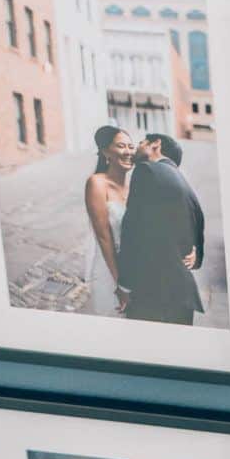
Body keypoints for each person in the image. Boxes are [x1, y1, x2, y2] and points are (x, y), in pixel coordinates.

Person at [117, 133, 206, 326]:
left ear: (156, 144)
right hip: (183, 295)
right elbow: (199, 221)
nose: (136, 148)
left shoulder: (146, 170)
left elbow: (131, 229)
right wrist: (196, 255)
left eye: (141, 143)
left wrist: (124, 284)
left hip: (153, 293)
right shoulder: (185, 184)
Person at [83, 125, 132, 316]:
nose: (128, 152)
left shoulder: (134, 184)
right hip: (109, 269)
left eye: (131, 146)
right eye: (121, 146)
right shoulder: (97, 183)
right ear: (106, 152)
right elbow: (103, 236)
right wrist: (121, 284)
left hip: (133, 268)